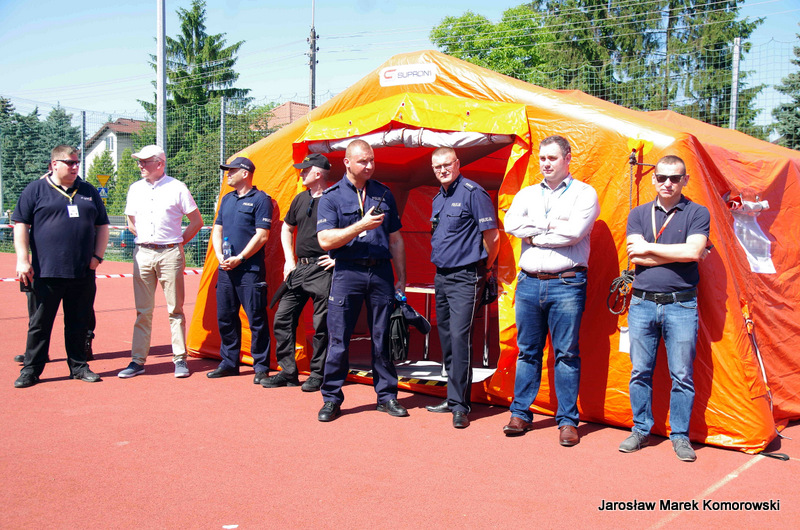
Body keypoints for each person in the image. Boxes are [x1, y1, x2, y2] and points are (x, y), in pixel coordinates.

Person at [502, 135, 600, 446]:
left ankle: (568, 421)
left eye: (552, 158)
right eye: (542, 158)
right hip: (529, 283)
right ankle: (520, 413)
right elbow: (511, 224)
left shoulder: (585, 193)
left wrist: (534, 233)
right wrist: (553, 225)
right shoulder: (527, 193)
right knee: (527, 351)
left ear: (568, 159)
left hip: (567, 284)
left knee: (566, 354)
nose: (546, 163)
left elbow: (574, 233)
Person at [619, 155, 710, 462]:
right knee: (639, 371)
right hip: (642, 303)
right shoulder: (639, 213)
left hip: (681, 304)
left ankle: (680, 436)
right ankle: (640, 430)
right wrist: (679, 253)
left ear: (685, 180)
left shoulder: (697, 212)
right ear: (653, 178)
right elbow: (636, 256)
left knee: (682, 374)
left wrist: (651, 248)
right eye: (662, 177)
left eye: (675, 178)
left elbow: (693, 251)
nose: (667, 183)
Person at [315, 139, 408, 422]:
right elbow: (325, 240)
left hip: (381, 272)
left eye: (371, 160)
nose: (369, 165)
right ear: (347, 162)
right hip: (347, 272)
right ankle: (332, 398)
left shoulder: (383, 193)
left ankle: (387, 396)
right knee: (339, 338)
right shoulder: (330, 197)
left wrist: (401, 277)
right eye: (362, 161)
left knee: (383, 337)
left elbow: (395, 239)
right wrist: (360, 226)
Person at [12, 145, 109, 388]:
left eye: (77, 162)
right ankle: (31, 369)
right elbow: (21, 224)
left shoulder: (88, 191)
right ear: (54, 164)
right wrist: (23, 260)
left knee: (78, 322)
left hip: (82, 272)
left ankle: (78, 366)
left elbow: (102, 225)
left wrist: (97, 257)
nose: (75, 166)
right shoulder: (35, 189)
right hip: (46, 271)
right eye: (69, 162)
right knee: (40, 324)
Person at [425, 147, 499, 429]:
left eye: (447, 164)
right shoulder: (438, 199)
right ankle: (452, 396)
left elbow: (492, 236)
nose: (442, 170)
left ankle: (460, 406)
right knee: (445, 337)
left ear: (457, 164)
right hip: (442, 276)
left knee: (459, 337)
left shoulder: (473, 193)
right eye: (437, 167)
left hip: (466, 276)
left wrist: (486, 269)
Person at [118, 145, 203, 379]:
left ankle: (180, 358)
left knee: (175, 309)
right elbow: (131, 221)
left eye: (144, 161)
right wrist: (146, 240)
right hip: (143, 254)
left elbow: (196, 221)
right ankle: (137, 361)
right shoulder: (135, 189)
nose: (140, 165)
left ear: (159, 163)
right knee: (143, 311)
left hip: (170, 254)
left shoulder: (177, 188)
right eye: (139, 161)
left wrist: (177, 243)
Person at [262, 153, 335, 391]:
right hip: (300, 268)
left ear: (318, 173)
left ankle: (318, 374)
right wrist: (289, 260)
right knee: (283, 317)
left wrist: (338, 258)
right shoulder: (300, 198)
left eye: (305, 170)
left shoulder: (335, 198)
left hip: (323, 269)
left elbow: (353, 230)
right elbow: (286, 228)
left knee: (321, 324)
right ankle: (288, 372)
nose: (301, 173)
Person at [207, 157, 272, 384]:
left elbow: (262, 235)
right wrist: (220, 256)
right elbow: (217, 229)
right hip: (226, 269)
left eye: (232, 170)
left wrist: (241, 257)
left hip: (250, 270)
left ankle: (261, 366)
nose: (228, 174)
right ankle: (229, 363)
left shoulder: (261, 199)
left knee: (256, 318)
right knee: (225, 317)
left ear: (245, 173)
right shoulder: (227, 199)